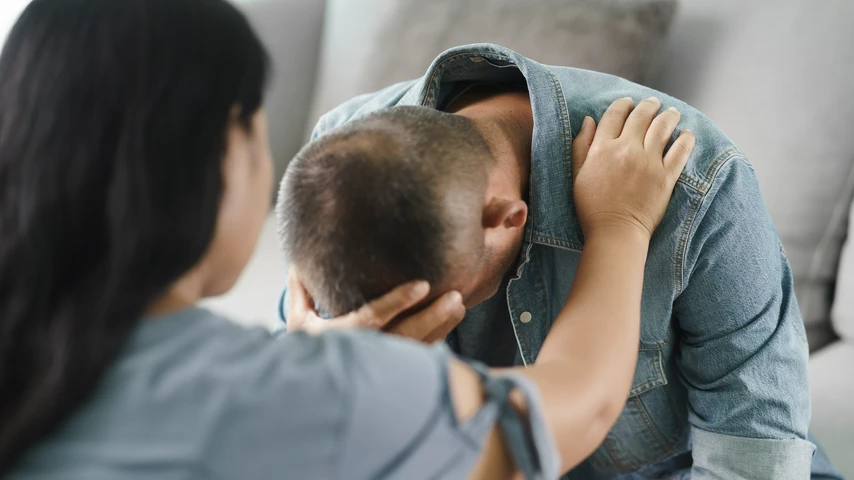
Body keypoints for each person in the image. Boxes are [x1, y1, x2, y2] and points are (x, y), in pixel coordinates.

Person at [0, 0, 694, 479]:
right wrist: (622, 225)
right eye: (256, 129)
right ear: (220, 156)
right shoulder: (317, 399)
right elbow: (580, 402)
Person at [277, 45, 843, 479]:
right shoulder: (336, 172)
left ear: (506, 218)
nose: (425, 323)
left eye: (443, 305)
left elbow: (754, 444)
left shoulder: (691, 179)